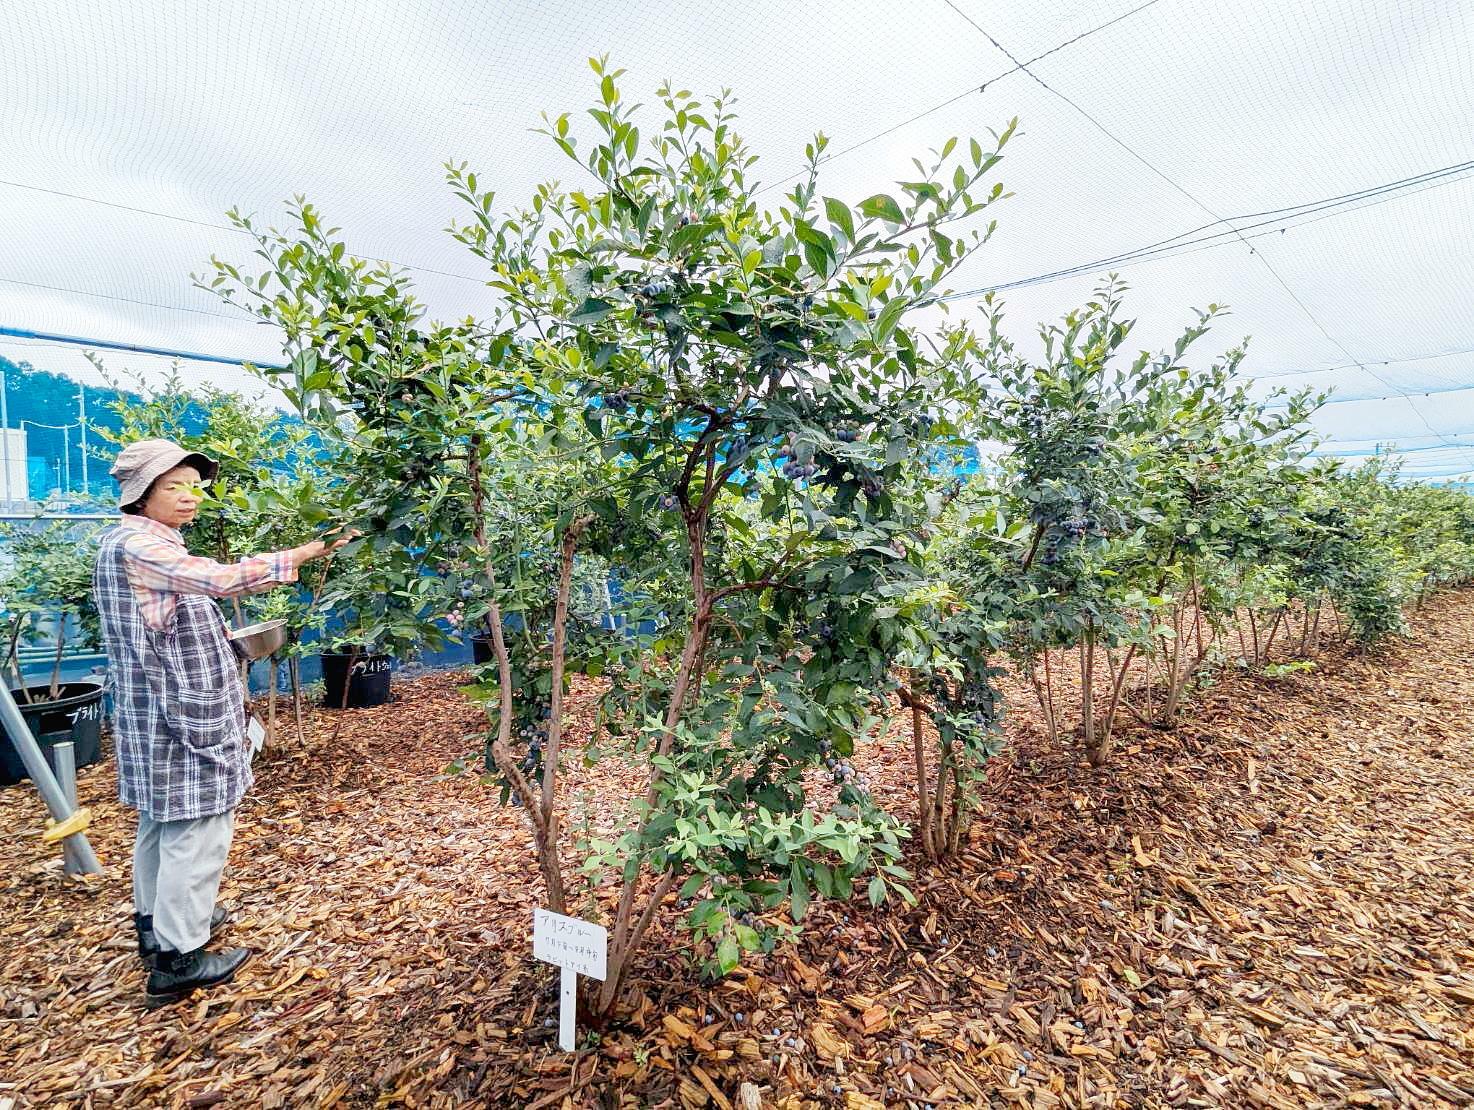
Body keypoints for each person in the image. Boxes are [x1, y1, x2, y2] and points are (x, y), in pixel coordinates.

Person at [94, 439, 346, 1008]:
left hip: (156, 707)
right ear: (141, 496)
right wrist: (310, 550)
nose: (188, 497)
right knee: (199, 824)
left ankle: (157, 922)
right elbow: (221, 580)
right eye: (172, 487)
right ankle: (179, 957)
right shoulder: (139, 544)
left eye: (193, 486)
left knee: (163, 821)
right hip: (178, 712)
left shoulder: (138, 542)